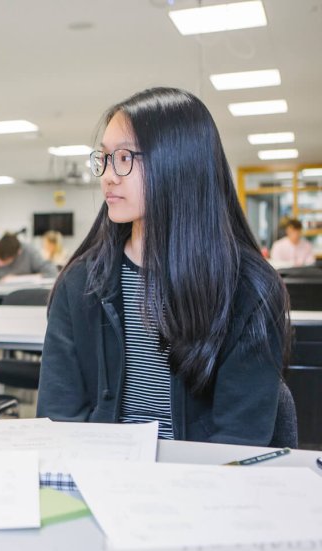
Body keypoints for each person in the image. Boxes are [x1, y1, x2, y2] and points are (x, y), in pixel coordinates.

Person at [37, 87, 289, 446]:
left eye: (124, 158)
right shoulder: (81, 284)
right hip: (100, 474)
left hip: (200, 485)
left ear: (179, 164)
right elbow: (57, 418)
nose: (107, 176)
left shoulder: (247, 291)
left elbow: (238, 440)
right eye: (104, 158)